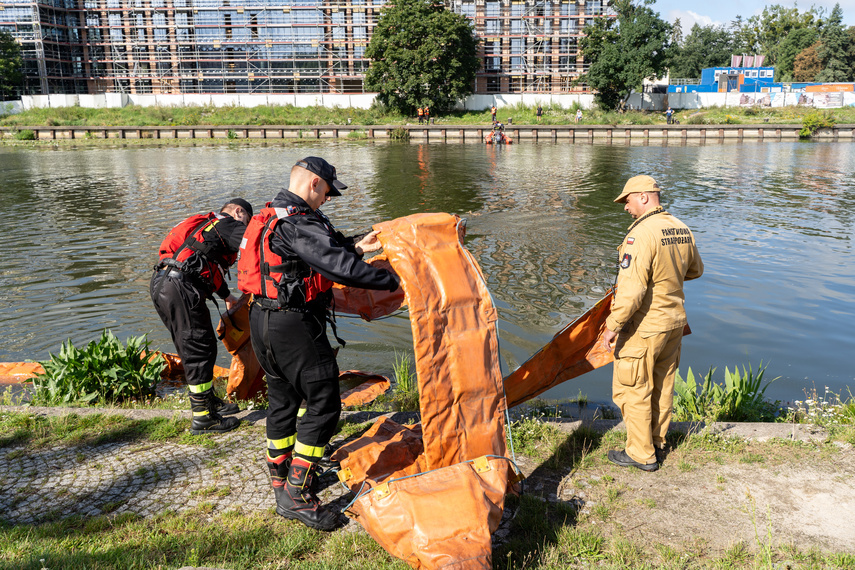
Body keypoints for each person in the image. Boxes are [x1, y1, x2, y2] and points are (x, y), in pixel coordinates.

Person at [238, 157, 399, 531]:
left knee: (283, 400)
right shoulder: (298, 221)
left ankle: (281, 478)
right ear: (313, 184)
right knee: (325, 404)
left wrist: (358, 247)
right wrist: (390, 281)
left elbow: (318, 254)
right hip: (292, 325)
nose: (327, 200)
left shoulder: (272, 215)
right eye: (327, 192)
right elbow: (336, 266)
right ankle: (296, 495)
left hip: (262, 320)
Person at [600, 175, 703, 472]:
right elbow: (696, 270)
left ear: (644, 197)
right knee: (662, 385)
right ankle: (656, 441)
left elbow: (631, 292)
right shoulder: (680, 227)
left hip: (645, 326)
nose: (625, 207)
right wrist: (667, 277)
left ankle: (640, 454)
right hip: (674, 323)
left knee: (633, 388)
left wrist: (611, 328)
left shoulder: (640, 235)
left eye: (627, 200)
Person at [151, 198, 253, 434]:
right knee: (199, 348)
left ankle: (208, 402)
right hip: (180, 287)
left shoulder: (207, 226)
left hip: (163, 283)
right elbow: (256, 245)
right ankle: (203, 419)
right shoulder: (228, 224)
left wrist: (227, 295)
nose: (244, 226)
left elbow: (198, 257)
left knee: (198, 345)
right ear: (238, 212)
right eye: (246, 219)